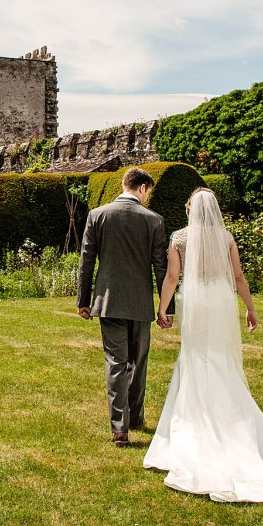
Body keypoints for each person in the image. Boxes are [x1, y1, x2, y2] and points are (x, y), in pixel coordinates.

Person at [142, 187, 263, 502]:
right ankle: (231, 423)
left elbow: (172, 277)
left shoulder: (180, 238)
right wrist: (250, 309)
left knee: (196, 358)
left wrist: (163, 307)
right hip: (221, 301)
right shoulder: (225, 238)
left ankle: (197, 424)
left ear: (190, 210)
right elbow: (238, 277)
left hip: (195, 301)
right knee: (221, 360)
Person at [78, 167, 168, 447]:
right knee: (138, 363)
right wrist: (167, 307)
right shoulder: (153, 220)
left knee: (115, 363)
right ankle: (136, 417)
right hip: (140, 302)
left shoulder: (98, 215)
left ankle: (120, 427)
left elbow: (86, 260)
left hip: (108, 301)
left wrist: (83, 300)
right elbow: (161, 267)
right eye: (148, 192)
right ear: (141, 188)